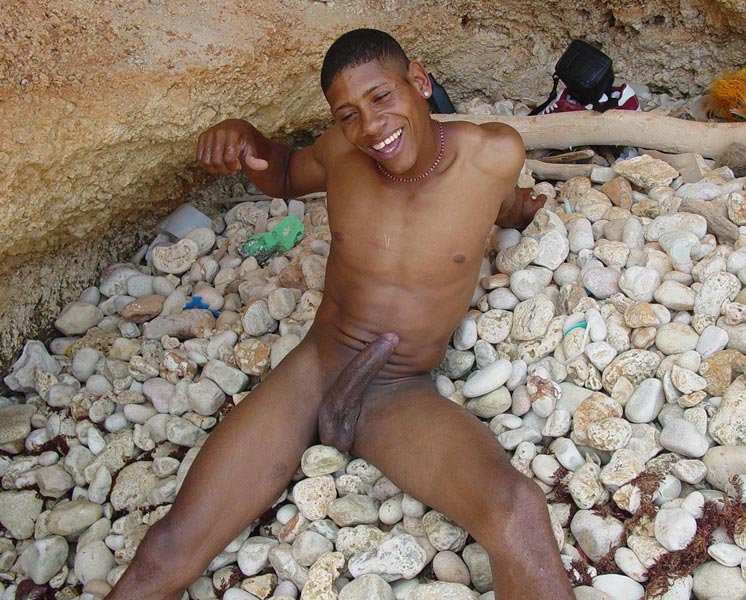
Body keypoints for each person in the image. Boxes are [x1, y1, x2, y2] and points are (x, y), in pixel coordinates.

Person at [108, 28, 574, 600]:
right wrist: (244, 136)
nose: (371, 127)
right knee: (168, 549)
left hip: (397, 391)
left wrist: (520, 211)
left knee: (518, 510)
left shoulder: (493, 153)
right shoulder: (341, 154)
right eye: (348, 114)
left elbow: (499, 199)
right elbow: (282, 172)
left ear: (419, 81)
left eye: (381, 97)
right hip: (316, 369)